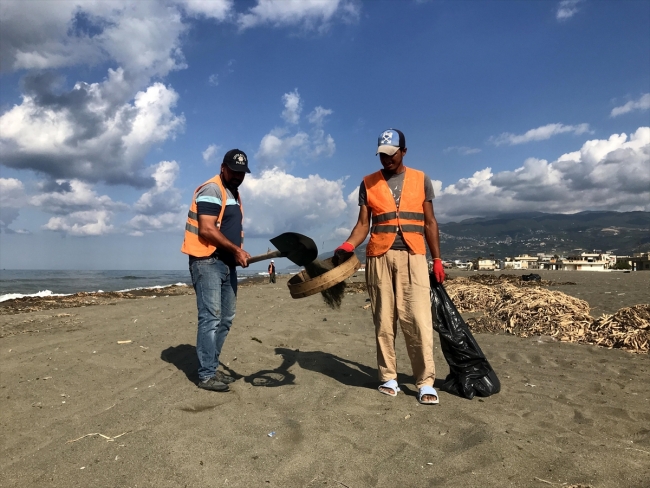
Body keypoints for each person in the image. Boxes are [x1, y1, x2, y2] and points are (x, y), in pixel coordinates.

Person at [335, 129, 446, 405]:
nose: (386, 159)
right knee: (384, 320)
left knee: (418, 320)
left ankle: (425, 381)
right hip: (379, 257)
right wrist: (347, 246)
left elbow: (430, 222)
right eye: (382, 154)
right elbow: (363, 225)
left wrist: (437, 259)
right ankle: (389, 377)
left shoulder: (422, 180)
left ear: (404, 152)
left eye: (391, 154)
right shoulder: (368, 183)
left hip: (413, 255)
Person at [181, 149, 252, 392]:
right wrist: (237, 250)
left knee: (226, 318)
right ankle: (207, 374)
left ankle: (210, 364)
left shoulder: (234, 193)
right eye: (234, 171)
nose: (237, 176)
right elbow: (207, 230)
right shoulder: (212, 189)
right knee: (210, 318)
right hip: (207, 261)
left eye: (242, 173)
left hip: (226, 264)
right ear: (223, 167)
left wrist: (237, 253)